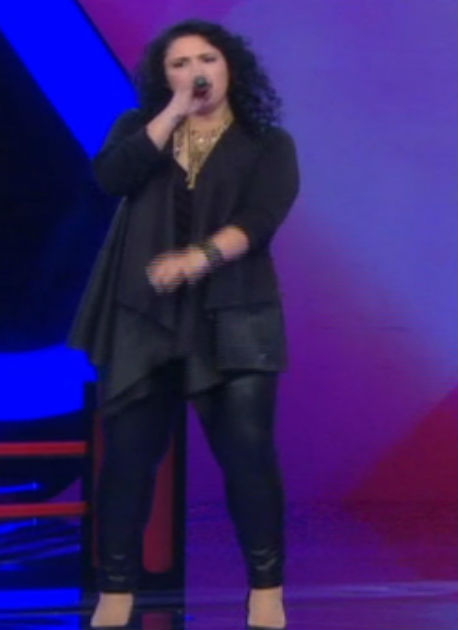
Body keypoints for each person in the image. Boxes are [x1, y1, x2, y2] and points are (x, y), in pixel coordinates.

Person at [69, 19, 298, 630]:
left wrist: (200, 258)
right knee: (127, 461)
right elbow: (110, 178)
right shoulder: (139, 130)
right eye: (180, 63)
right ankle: (116, 594)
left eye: (207, 59)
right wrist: (171, 114)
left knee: (248, 457)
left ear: (230, 67)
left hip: (235, 314)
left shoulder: (266, 142)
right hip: (145, 316)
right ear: (163, 77)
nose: (196, 72)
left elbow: (262, 217)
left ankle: (266, 591)